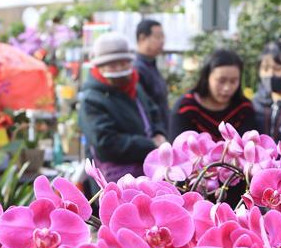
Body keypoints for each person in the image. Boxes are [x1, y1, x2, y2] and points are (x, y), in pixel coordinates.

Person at [79, 32, 167, 182]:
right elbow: (106, 143)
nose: (119, 68)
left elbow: (153, 111)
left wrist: (159, 132)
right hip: (117, 179)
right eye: (112, 65)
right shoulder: (91, 99)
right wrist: (149, 144)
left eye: (124, 62)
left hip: (148, 171)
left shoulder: (134, 85)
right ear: (100, 67)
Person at [169, 49, 258, 140]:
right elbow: (179, 149)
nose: (227, 88)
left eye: (233, 81)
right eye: (221, 81)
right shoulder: (186, 107)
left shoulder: (244, 108)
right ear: (207, 77)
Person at [133, 19, 169, 122]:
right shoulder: (138, 69)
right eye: (158, 37)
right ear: (142, 38)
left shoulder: (151, 64)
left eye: (163, 37)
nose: (162, 41)